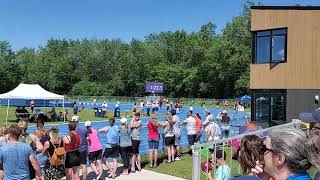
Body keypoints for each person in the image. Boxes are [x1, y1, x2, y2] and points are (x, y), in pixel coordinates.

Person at [72, 115, 88, 180]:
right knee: (84, 165)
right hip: (84, 148)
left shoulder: (73, 130)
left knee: (76, 166)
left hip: (76, 149)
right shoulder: (84, 128)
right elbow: (86, 138)